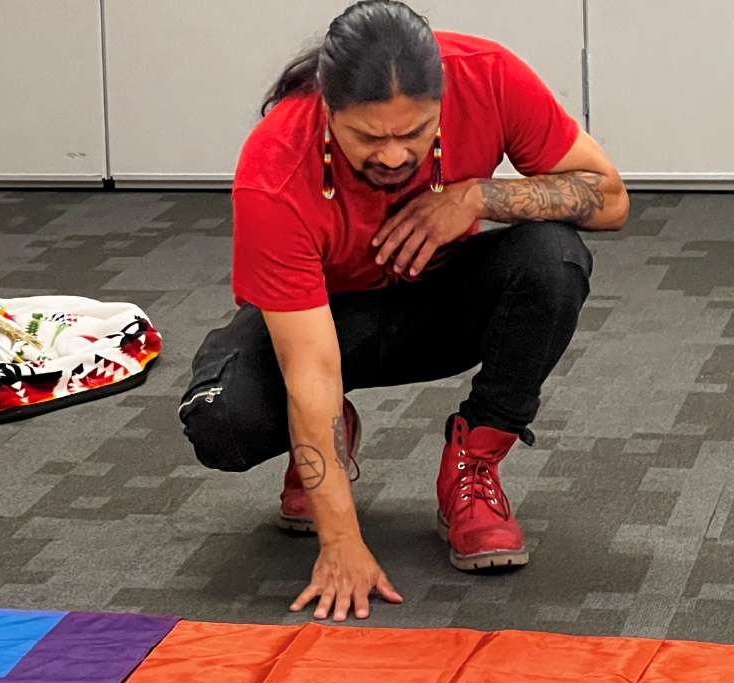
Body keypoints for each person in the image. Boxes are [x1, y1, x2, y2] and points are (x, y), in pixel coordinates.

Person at [179, 0, 628, 623]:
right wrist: (342, 544)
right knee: (223, 422)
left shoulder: (487, 75)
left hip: (437, 300)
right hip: (324, 325)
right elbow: (309, 365)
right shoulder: (274, 166)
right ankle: (328, 438)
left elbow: (609, 198)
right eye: (368, 137)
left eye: (414, 133)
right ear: (327, 109)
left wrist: (478, 196)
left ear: (441, 102)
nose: (392, 156)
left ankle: (473, 464)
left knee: (553, 257)